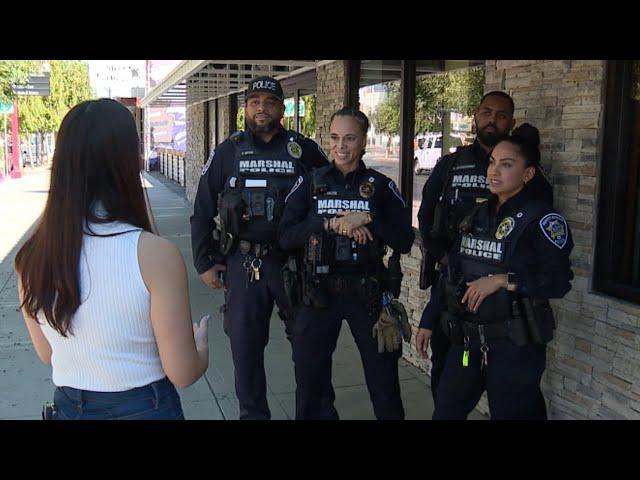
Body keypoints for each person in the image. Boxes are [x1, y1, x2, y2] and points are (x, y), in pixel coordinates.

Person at [14, 98, 209, 420]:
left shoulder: (30, 257)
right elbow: (183, 372)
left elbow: (48, 354)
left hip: (67, 408)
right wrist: (200, 344)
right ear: (127, 161)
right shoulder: (155, 254)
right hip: (146, 406)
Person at [190, 76, 330, 420]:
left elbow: (330, 194)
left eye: (269, 102)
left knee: (309, 347)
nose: (262, 108)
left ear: (282, 109)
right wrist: (204, 262)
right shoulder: (229, 151)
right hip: (244, 263)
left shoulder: (304, 149)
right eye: (255, 102)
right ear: (246, 108)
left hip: (294, 264)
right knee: (245, 349)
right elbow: (203, 208)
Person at [415, 91, 554, 403]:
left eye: (501, 114)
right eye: (487, 112)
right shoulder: (451, 165)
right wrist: (444, 257)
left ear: (511, 122)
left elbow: (544, 259)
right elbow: (426, 216)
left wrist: (503, 277)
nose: (493, 119)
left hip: (506, 314)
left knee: (510, 396)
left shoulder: (533, 181)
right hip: (454, 294)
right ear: (476, 116)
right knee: (452, 372)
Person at [429, 123, 573, 419]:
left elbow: (558, 282)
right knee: (445, 410)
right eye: (492, 162)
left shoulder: (542, 220)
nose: (494, 171)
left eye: (506, 165)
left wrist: (502, 281)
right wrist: (429, 319)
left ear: (528, 174)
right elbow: (451, 271)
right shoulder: (477, 215)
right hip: (468, 341)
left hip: (513, 346)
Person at [279, 108, 415, 420]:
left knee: (384, 383)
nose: (341, 146)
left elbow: (405, 239)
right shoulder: (310, 183)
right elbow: (285, 237)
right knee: (309, 382)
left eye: (350, 138)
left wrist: (368, 218)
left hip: (366, 294)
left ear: (365, 141)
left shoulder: (379, 185)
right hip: (317, 294)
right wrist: (327, 224)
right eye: (336, 137)